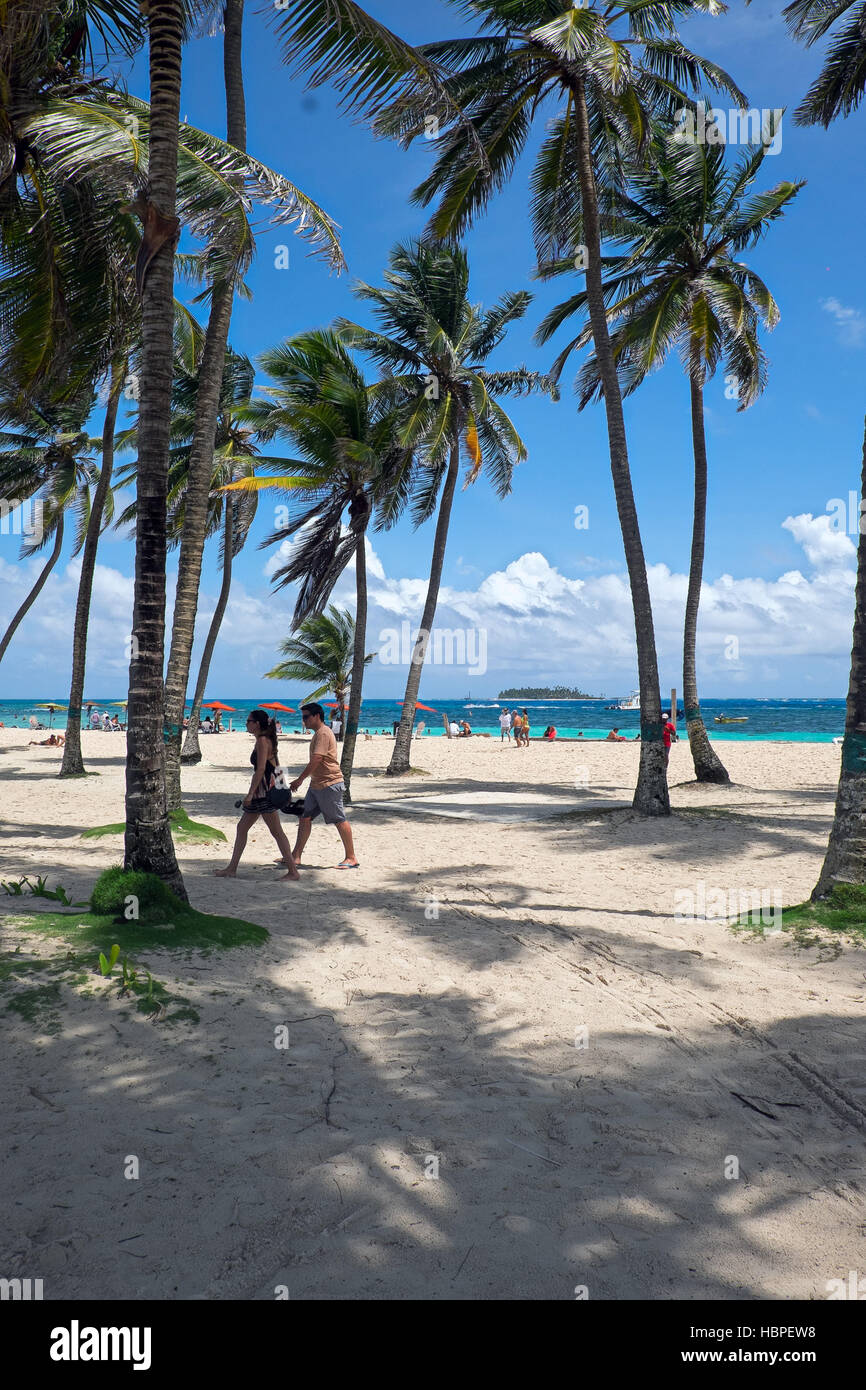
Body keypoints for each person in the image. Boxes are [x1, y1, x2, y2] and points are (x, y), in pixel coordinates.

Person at [214, 710, 299, 879]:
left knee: (276, 831)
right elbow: (277, 765)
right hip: (265, 790)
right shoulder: (267, 740)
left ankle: (292, 871)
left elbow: (260, 770)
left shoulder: (262, 741)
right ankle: (232, 868)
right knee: (243, 828)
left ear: (257, 724)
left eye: (249, 721)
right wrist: (283, 787)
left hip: (263, 793)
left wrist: (249, 794)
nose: (246, 723)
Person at [286, 703, 358, 872]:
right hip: (317, 784)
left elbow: (317, 759)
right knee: (305, 817)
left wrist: (300, 779)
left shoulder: (324, 733)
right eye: (302, 717)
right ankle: (295, 856)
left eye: (306, 717)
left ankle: (351, 857)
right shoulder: (318, 734)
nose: (304, 721)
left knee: (339, 819)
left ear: (316, 716)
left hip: (329, 784)